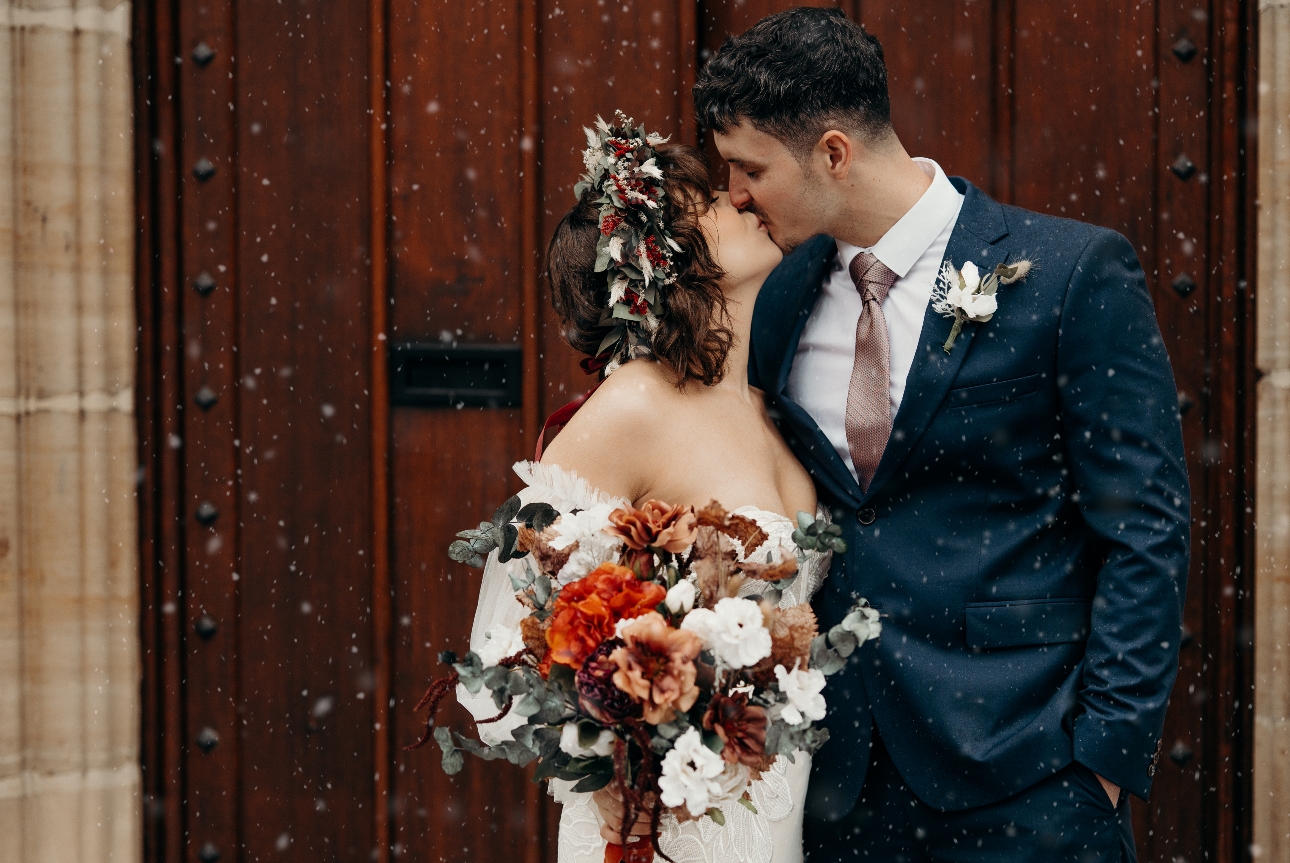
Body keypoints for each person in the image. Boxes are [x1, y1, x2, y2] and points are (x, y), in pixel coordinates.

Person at [691, 8, 1190, 862]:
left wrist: (1106, 756)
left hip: (1028, 773)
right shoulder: (776, 298)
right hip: (837, 783)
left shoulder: (1073, 273)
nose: (735, 195)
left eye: (749, 168)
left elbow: (1145, 529)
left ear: (834, 153)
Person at [462, 135, 828, 862]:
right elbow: (498, 664)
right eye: (713, 203)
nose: (741, 197)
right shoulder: (633, 404)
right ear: (663, 256)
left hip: (777, 810)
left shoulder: (771, 408)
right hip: (665, 826)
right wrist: (624, 721)